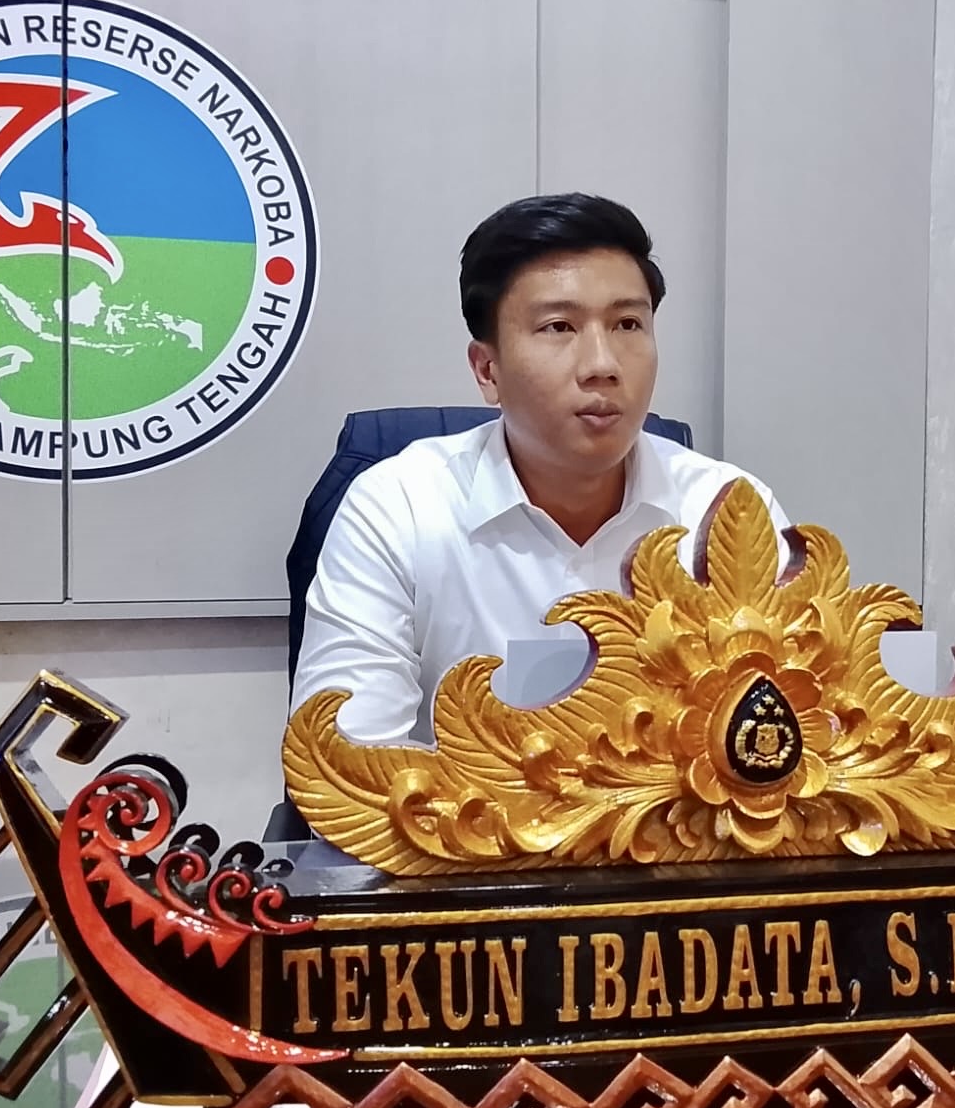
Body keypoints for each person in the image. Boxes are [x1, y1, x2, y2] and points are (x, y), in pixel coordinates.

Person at [290, 193, 789, 741]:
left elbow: (804, 730)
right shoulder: (399, 507)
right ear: (488, 370)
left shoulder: (731, 512)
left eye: (627, 324)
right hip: (459, 799)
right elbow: (347, 755)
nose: (602, 365)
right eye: (558, 327)